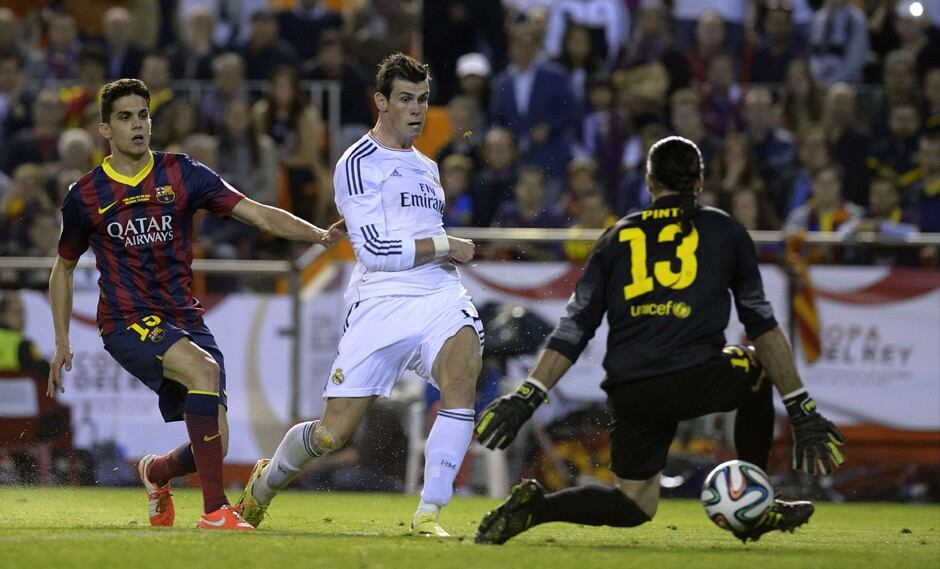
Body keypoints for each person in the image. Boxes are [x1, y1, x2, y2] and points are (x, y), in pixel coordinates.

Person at [473, 136, 846, 545]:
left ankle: (539, 508)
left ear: (649, 183)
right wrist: (800, 406)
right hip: (695, 375)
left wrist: (528, 394)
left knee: (633, 503)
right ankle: (754, 500)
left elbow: (574, 328)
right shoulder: (724, 230)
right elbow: (763, 326)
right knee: (757, 366)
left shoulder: (615, 237)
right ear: (699, 182)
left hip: (633, 388)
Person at [47, 79, 345, 531]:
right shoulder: (85, 195)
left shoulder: (182, 173)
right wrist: (62, 339)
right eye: (125, 117)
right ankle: (214, 512)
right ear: (105, 129)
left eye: (143, 115)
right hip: (127, 321)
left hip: (183, 316)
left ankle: (156, 471)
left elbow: (257, 212)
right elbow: (63, 268)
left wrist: (318, 234)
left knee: (215, 444)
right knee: (203, 371)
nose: (137, 125)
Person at [234, 53, 484, 537]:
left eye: (423, 99)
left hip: (438, 292)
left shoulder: (428, 167)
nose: (417, 109)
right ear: (381, 102)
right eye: (406, 99)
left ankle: (429, 513)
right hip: (380, 300)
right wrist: (446, 245)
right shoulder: (356, 162)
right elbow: (374, 251)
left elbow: (406, 228)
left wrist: (435, 250)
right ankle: (265, 484)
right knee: (332, 433)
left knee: (462, 372)